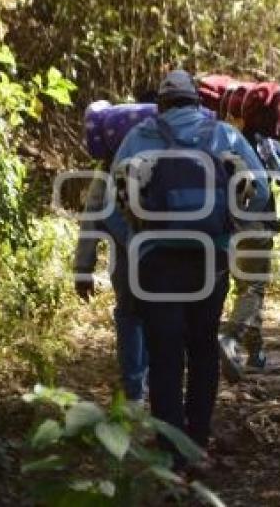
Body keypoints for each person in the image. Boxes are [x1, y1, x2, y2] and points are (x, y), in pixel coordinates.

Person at [111, 70, 269, 459]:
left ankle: (170, 446)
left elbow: (114, 205)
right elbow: (260, 190)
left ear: (160, 104)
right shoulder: (224, 135)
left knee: (164, 352)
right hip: (208, 257)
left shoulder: (138, 136)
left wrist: (129, 248)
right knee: (201, 347)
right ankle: (198, 440)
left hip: (154, 261)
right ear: (198, 102)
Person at [218, 124, 280, 381]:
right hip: (255, 224)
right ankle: (230, 337)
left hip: (216, 225)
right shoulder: (268, 147)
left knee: (235, 289)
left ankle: (255, 352)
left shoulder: (215, 137)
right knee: (252, 288)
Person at [73, 102, 155, 406]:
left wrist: (83, 268)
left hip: (125, 255)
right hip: (163, 252)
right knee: (156, 314)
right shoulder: (161, 161)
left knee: (130, 315)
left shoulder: (107, 171)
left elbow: (91, 220)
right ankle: (156, 384)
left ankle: (134, 389)